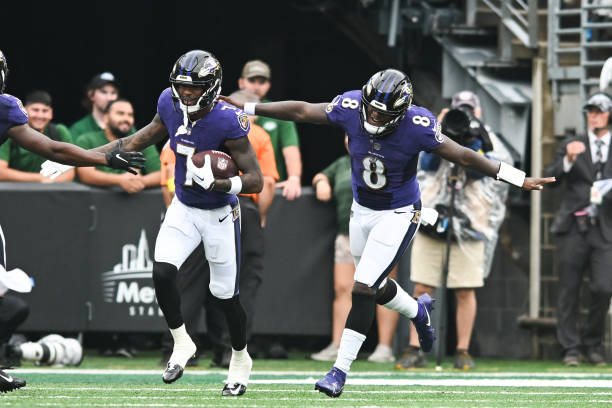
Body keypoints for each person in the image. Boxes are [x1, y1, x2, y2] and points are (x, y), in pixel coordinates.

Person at [219, 68, 554, 398]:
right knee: (374, 285)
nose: (375, 116)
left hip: (398, 212)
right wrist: (247, 107)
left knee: (363, 288)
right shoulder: (352, 106)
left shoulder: (417, 125)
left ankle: (339, 371)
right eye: (372, 108)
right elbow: (303, 110)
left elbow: (463, 155)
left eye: (383, 112)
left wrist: (515, 177)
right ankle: (417, 311)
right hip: (361, 210)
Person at [46, 50, 264, 396]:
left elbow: (256, 180)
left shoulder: (227, 120)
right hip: (184, 205)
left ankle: (240, 358)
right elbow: (139, 138)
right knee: (162, 272)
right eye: (181, 87)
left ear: (211, 87)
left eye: (193, 89)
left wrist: (222, 183)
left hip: (220, 212)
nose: (186, 94)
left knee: (225, 297)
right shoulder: (169, 103)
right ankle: (182, 342)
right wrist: (78, 158)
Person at [0, 49, 145, 393]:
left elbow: (51, 148)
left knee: (5, 299)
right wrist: (104, 157)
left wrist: (103, 157)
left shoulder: (5, 107)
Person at [396, 90, 511, 370]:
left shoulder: (489, 139)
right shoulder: (436, 132)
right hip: (434, 218)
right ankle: (415, 346)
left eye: (469, 111)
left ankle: (462, 351)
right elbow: (426, 164)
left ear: (479, 113)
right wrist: (440, 129)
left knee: (465, 289)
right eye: (459, 110)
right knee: (423, 284)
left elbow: (484, 173)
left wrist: (477, 140)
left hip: (471, 223)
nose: (464, 116)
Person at [311, 134, 399, 364]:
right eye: (349, 136)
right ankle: (337, 345)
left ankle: (384, 347)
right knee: (343, 288)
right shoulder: (341, 163)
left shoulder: (388, 158)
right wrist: (321, 181)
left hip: (382, 233)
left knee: (382, 287)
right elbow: (321, 173)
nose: (352, 140)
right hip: (347, 233)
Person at [238, 59, 300, 358]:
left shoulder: (273, 118)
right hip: (239, 199)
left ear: (268, 86)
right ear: (241, 83)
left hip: (252, 196)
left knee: (242, 276)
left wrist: (296, 176)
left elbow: (288, 154)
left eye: (262, 81)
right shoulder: (229, 114)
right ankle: (227, 346)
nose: (257, 86)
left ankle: (230, 346)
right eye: (252, 81)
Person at [544, 92, 612, 367]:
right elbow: (551, 176)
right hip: (574, 226)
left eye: (599, 110)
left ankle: (592, 344)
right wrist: (568, 161)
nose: (593, 115)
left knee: (604, 287)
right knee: (568, 290)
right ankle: (570, 348)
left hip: (605, 228)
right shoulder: (573, 143)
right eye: (590, 110)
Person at [75, 98, 161, 193]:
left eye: (130, 115)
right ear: (106, 117)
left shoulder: (143, 141)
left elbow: (160, 174)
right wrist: (120, 180)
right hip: (94, 203)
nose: (126, 119)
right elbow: (86, 175)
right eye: (120, 113)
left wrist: (138, 181)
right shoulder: (87, 140)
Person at [0, 90, 75, 182]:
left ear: (51, 113)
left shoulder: (59, 131)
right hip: (15, 192)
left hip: (51, 192)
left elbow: (70, 172)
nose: (40, 115)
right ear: (24, 110)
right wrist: (39, 178)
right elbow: (1, 172)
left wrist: (48, 182)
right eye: (35, 110)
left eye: (45, 111)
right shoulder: (10, 132)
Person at [69, 72, 121, 140]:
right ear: (91, 95)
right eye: (104, 92)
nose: (109, 98)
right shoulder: (78, 129)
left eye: (113, 93)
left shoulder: (125, 126)